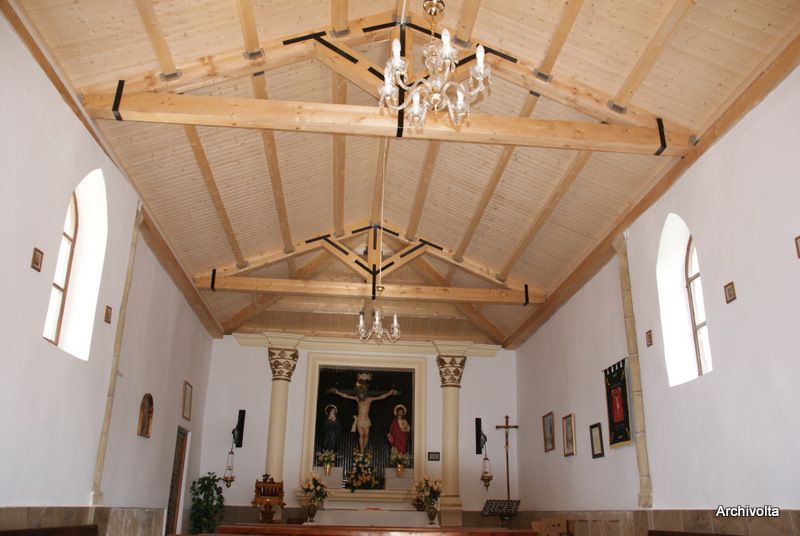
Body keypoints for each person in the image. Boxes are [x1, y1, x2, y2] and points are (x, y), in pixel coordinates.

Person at [329, 382, 398, 452]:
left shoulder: (369, 399)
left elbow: (380, 397)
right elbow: (346, 396)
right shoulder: (357, 399)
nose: (361, 397)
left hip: (366, 420)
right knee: (361, 435)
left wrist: (389, 393)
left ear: (365, 394)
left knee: (366, 435)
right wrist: (337, 392)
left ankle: (363, 450)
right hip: (360, 420)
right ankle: (361, 451)